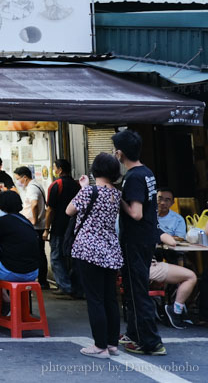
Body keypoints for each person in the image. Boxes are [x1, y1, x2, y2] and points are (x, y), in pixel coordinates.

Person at [115, 130, 165, 357]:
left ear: (120, 153)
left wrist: (118, 199)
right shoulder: (147, 172)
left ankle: (151, 342)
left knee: (137, 291)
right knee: (134, 288)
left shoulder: (133, 177)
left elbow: (135, 213)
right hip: (146, 238)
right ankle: (134, 334)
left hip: (135, 240)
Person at [68, 152, 123, 358]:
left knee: (95, 298)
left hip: (89, 249)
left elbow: (69, 211)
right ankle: (111, 344)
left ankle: (99, 346)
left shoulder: (88, 192)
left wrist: (83, 189)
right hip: (110, 249)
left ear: (95, 169)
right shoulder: (116, 194)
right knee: (110, 298)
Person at [0, 191, 38, 326]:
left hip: (14, 272)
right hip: (33, 272)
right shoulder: (25, 221)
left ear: (1, 205)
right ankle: (7, 298)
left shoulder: (2, 221)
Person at [46, 159, 81, 297]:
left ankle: (65, 287)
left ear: (60, 169)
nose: (54, 170)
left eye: (54, 168)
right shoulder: (77, 185)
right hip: (74, 227)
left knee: (56, 257)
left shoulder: (56, 185)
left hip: (59, 227)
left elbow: (50, 210)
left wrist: (46, 229)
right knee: (72, 257)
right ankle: (74, 285)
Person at [14, 166, 48, 288]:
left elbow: (34, 204)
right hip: (37, 225)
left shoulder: (32, 188)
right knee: (39, 253)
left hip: (35, 227)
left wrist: (34, 219)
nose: (18, 182)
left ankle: (42, 281)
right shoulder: (36, 185)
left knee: (38, 254)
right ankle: (42, 280)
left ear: (25, 177)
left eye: (18, 179)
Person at [154, 230, 197, 329]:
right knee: (191, 276)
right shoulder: (149, 224)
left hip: (135, 265)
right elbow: (172, 242)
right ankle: (175, 311)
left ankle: (178, 309)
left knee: (182, 273)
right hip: (150, 266)